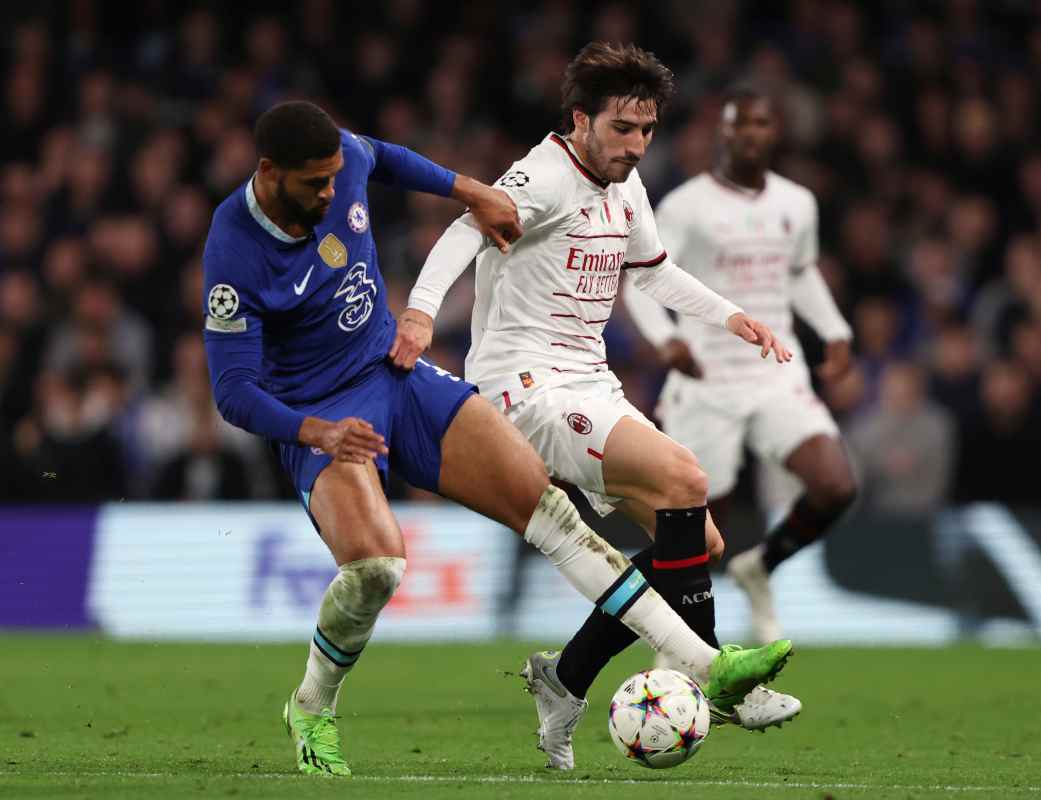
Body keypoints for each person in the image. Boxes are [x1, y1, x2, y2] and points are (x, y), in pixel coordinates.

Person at [203, 100, 794, 777]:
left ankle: (703, 664)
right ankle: (313, 704)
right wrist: (315, 430)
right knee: (375, 570)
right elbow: (234, 392)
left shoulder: (345, 159)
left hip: (394, 373)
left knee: (549, 509)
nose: (332, 192)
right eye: (315, 184)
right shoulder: (233, 252)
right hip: (320, 414)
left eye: (335, 177)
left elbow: (385, 157)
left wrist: (470, 190)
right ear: (269, 172)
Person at [395, 45, 802, 770]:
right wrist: (422, 316)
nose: (636, 145)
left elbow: (654, 272)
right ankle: (717, 683)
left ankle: (567, 677)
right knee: (684, 477)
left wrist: (731, 316)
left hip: (588, 384)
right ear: (581, 119)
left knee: (695, 547)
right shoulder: (546, 174)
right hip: (526, 388)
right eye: (621, 129)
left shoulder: (626, 183)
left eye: (646, 130)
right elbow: (467, 226)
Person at [622, 87, 859, 644]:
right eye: (739, 124)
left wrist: (835, 329)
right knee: (699, 534)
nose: (750, 133)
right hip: (705, 381)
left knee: (836, 485)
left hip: (775, 370)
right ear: (722, 133)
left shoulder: (797, 203)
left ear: (775, 133)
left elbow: (798, 273)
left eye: (761, 123)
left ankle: (761, 567)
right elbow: (642, 277)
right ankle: (678, 644)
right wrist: (665, 341)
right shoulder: (685, 206)